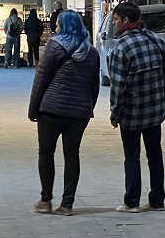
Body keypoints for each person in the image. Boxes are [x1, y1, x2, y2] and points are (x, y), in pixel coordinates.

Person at [28, 11, 100, 216]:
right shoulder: (92, 53)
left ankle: (46, 200)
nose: (56, 28)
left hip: (52, 109)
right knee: (72, 155)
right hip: (79, 113)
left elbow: (41, 78)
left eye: (58, 24)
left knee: (46, 153)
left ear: (64, 26)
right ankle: (67, 204)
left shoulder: (54, 46)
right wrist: (88, 107)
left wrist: (33, 108)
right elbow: (93, 86)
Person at [108, 0, 165, 213]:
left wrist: (115, 113)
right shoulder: (156, 40)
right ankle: (157, 200)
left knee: (132, 156)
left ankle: (132, 202)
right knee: (155, 155)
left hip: (131, 114)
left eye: (116, 19)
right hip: (154, 112)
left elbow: (118, 86)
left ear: (126, 20)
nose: (114, 23)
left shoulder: (121, 47)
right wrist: (164, 102)